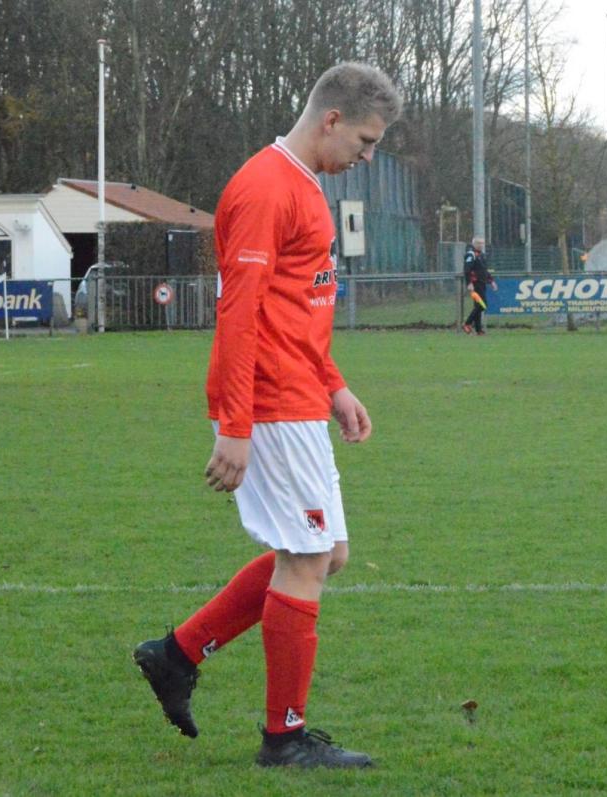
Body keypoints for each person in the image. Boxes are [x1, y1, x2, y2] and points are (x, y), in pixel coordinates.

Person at [133, 62, 402, 769]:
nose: (367, 157)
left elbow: (297, 309)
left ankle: (177, 653)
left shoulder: (306, 185)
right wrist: (235, 422)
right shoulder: (262, 186)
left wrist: (335, 385)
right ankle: (283, 737)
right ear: (332, 120)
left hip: (299, 397)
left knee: (325, 554)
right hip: (271, 407)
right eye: (366, 142)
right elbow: (240, 313)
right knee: (309, 557)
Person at [462, 237, 495, 335]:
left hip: (482, 283)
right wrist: (469, 283)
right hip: (476, 284)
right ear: (473, 244)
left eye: (482, 243)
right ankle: (467, 323)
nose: (481, 245)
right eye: (478, 243)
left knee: (478, 306)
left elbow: (484, 270)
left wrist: (491, 281)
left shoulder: (482, 255)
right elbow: (467, 270)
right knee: (482, 305)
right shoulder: (471, 255)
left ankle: (479, 330)